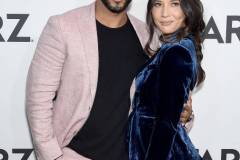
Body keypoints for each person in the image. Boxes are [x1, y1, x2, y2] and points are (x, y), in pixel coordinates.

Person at [25, 0, 194, 160]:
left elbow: (159, 107)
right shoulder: (63, 27)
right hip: (74, 154)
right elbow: (38, 100)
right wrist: (53, 156)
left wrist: (184, 117)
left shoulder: (149, 36)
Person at [127, 0, 205, 159]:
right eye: (157, 4)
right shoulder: (173, 47)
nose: (164, 13)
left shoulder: (176, 52)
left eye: (174, 4)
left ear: (188, 10)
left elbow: (166, 124)